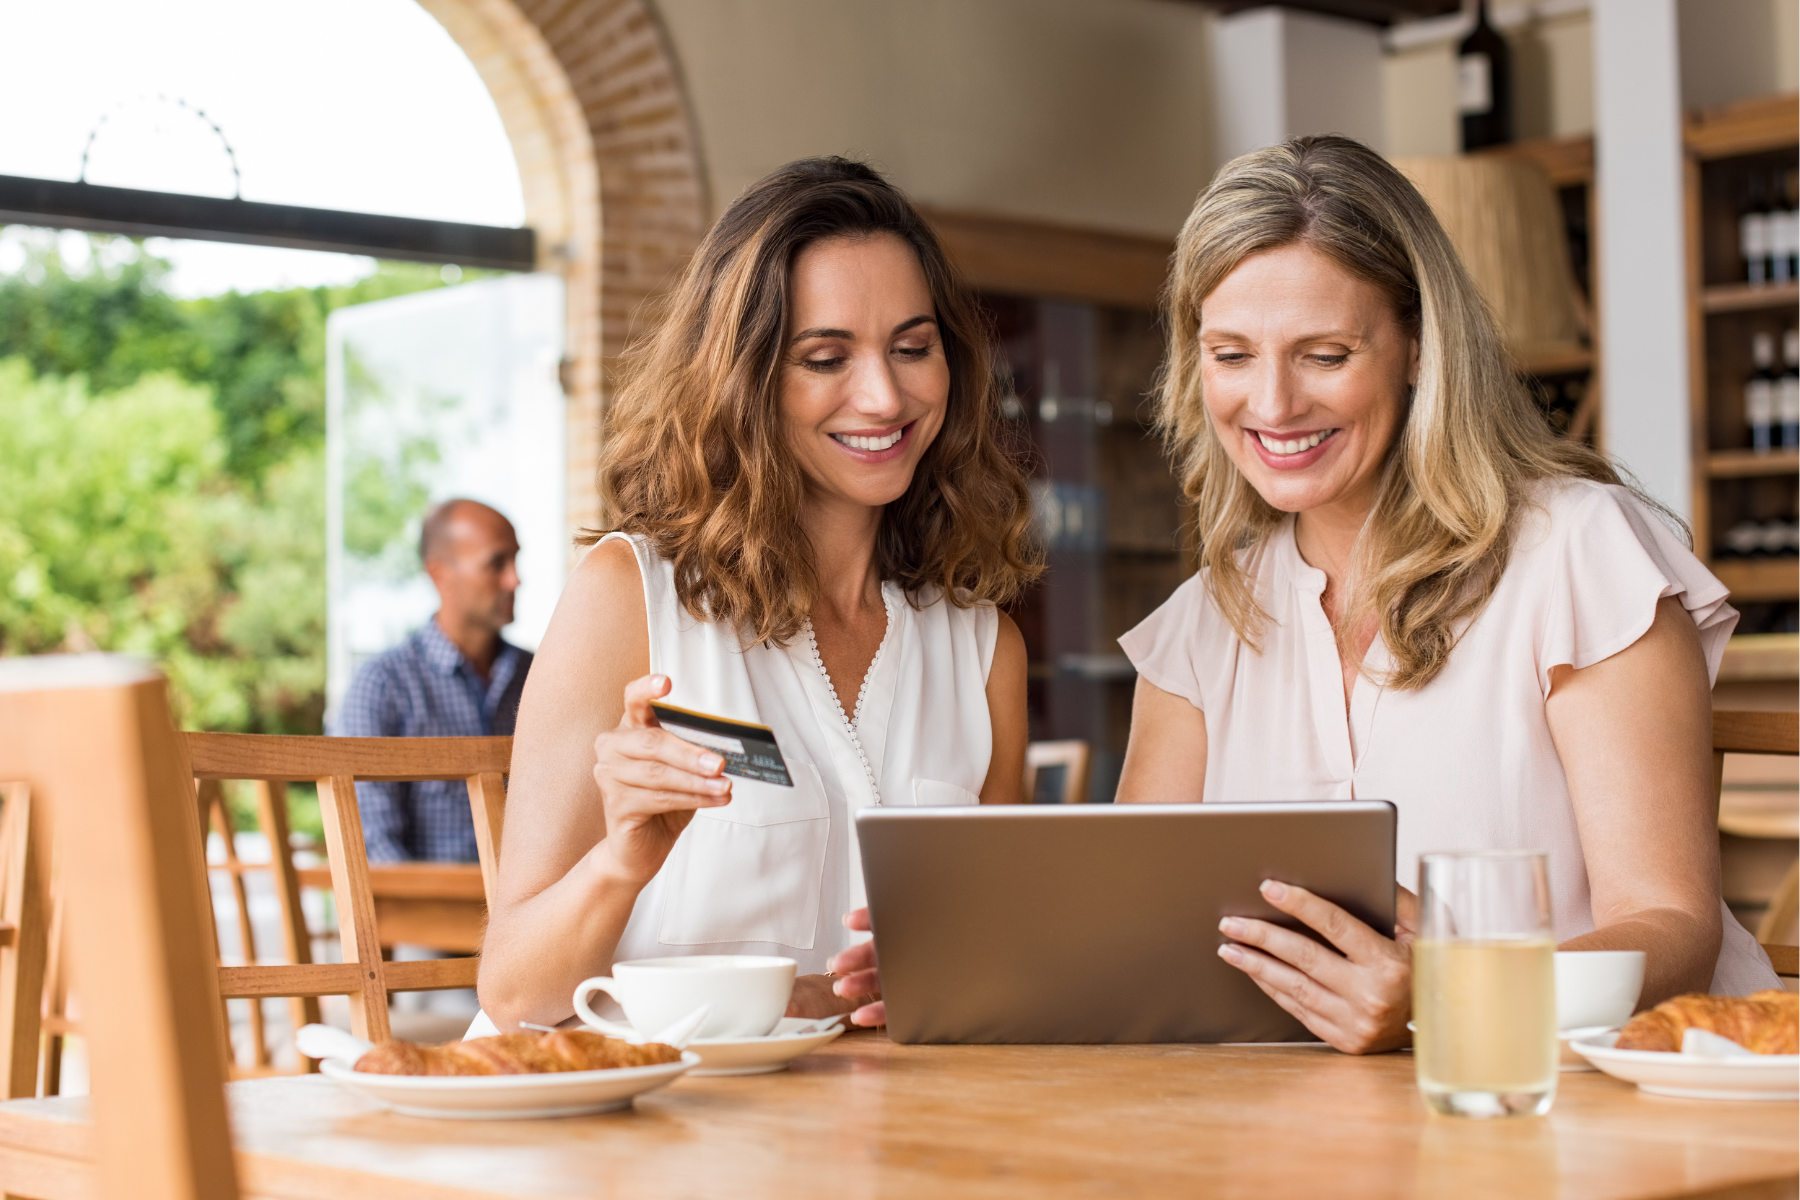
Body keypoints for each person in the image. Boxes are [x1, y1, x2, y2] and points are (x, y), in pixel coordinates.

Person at [1099, 134, 1779, 1053]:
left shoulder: (1577, 552)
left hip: (1586, 1111)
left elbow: (1672, 930)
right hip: (1304, 1136)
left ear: (1419, 346)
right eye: (1231, 355)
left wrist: (1449, 997)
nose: (1273, 403)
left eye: (1325, 354)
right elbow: (1133, 935)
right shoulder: (1199, 629)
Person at [475, 157, 1039, 1034]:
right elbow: (515, 995)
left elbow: (1003, 961)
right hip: (641, 1140)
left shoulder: (982, 650)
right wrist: (623, 859)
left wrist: (949, 974)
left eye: (913, 347)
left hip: (872, 1139)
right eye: (825, 357)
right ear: (746, 378)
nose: (885, 394)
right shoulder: (630, 600)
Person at [335, 498, 531, 863]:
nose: (515, 579)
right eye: (496, 563)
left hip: (540, 915)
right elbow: (373, 846)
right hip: (425, 915)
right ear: (439, 573)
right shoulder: (382, 686)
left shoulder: (541, 678)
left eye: (516, 560)